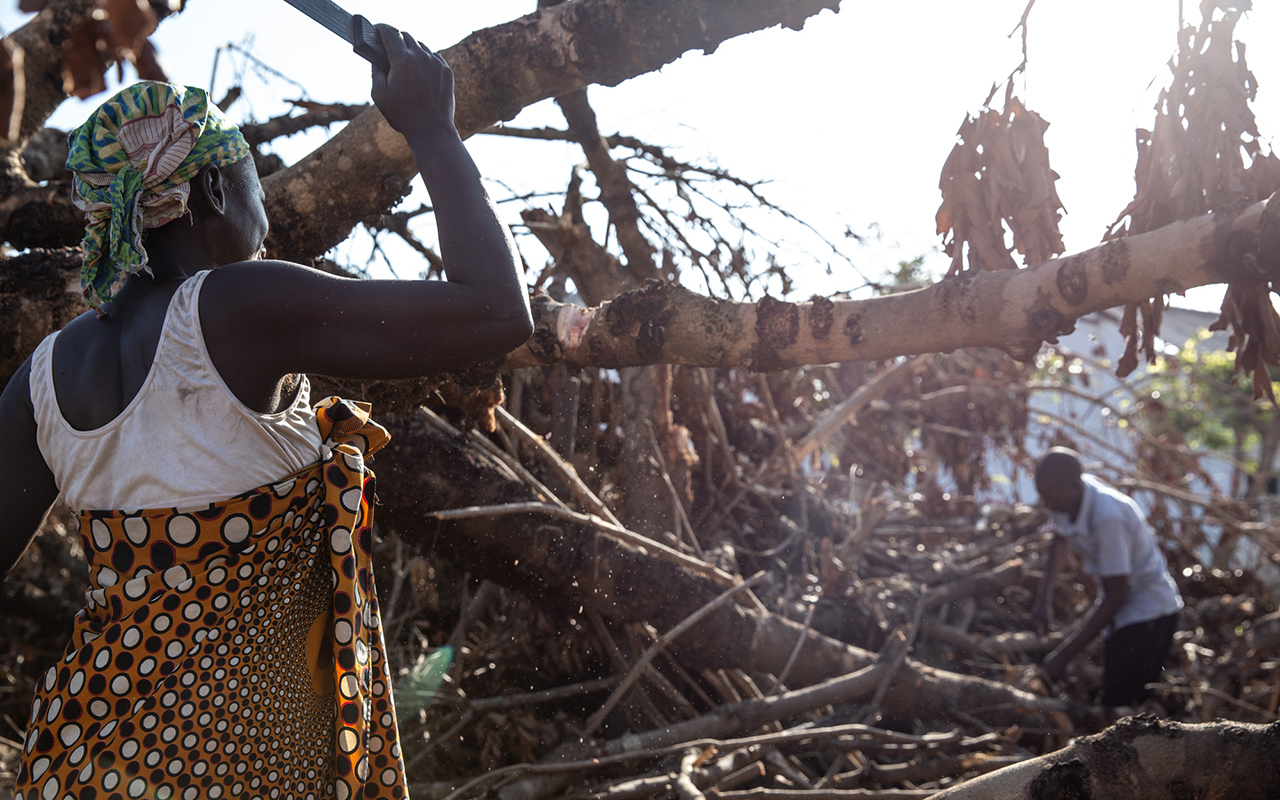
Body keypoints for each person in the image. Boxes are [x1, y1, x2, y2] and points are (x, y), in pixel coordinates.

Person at [0, 24, 531, 800]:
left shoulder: (44, 376)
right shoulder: (233, 306)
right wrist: (431, 129)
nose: (266, 214)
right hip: (230, 769)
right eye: (253, 182)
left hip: (85, 756)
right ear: (214, 189)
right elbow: (494, 312)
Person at [1030, 448, 1183, 709]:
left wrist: (1063, 657)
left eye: (1052, 497)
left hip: (1150, 615)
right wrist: (1042, 601)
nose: (1048, 505)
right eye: (1044, 496)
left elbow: (1116, 595)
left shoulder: (1108, 517)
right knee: (1114, 701)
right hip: (1125, 612)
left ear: (1074, 487)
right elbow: (1060, 539)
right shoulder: (1064, 498)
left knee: (1120, 709)